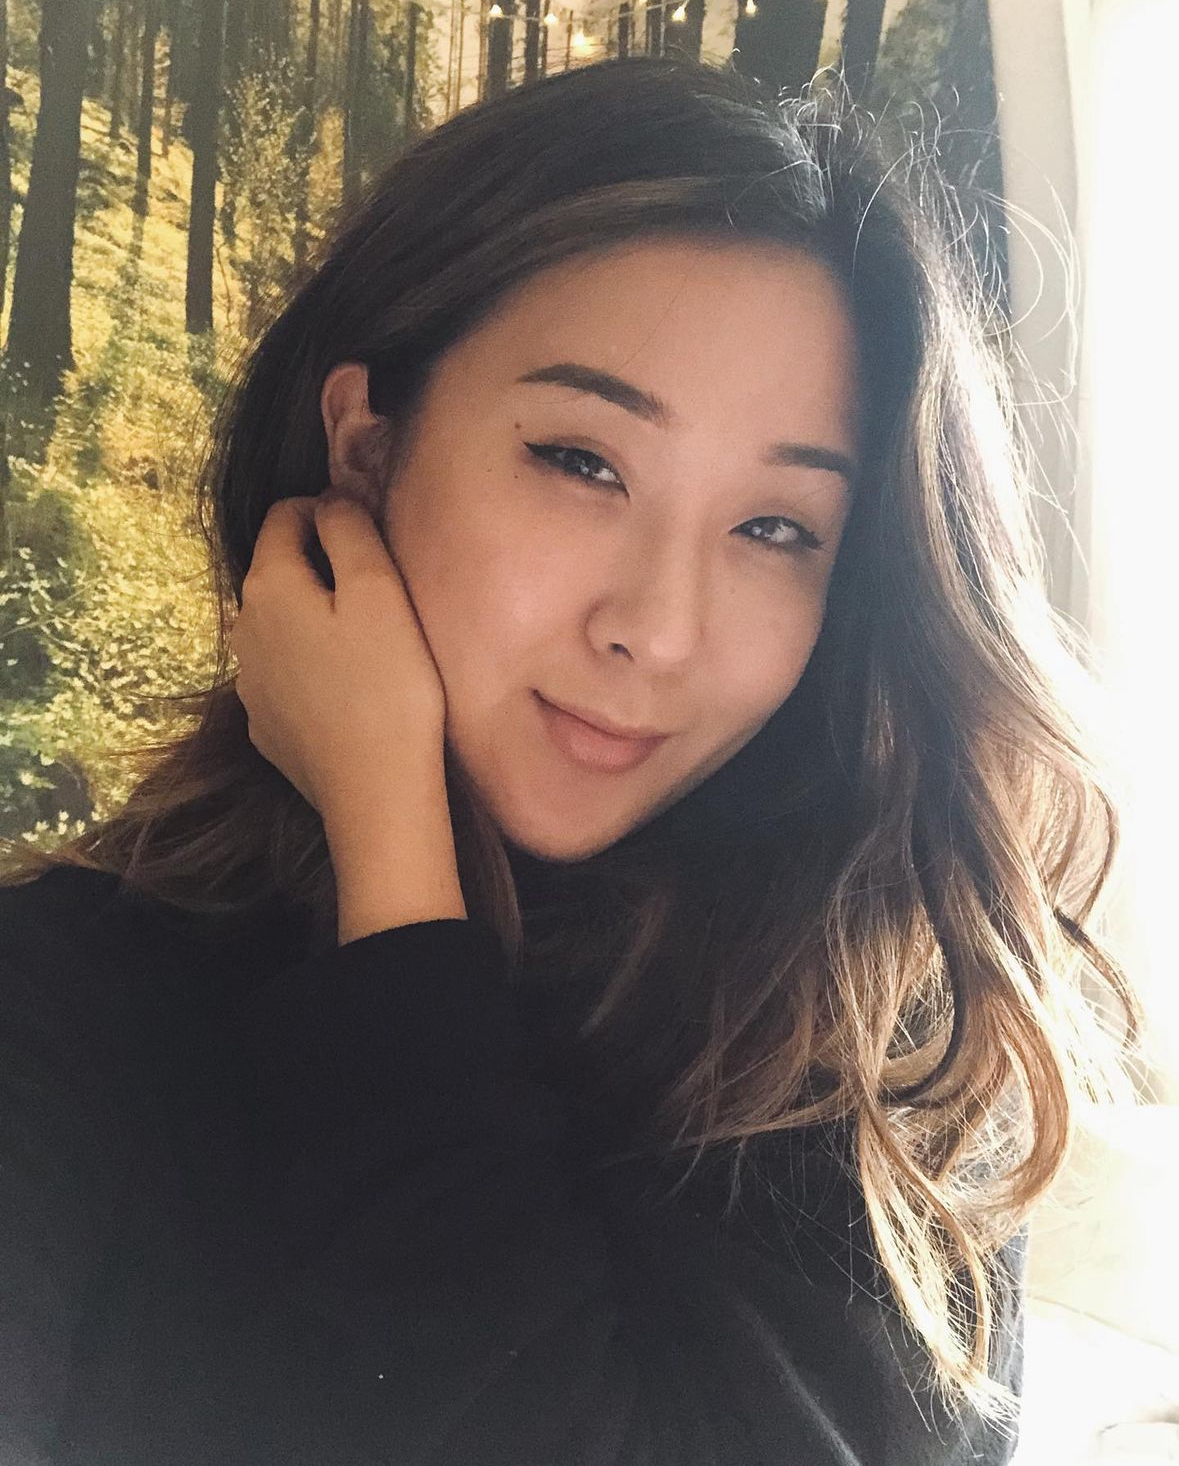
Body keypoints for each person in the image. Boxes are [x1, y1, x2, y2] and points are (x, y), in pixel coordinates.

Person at [0, 55, 1144, 1466]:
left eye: (775, 528)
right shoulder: (71, 1001)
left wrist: (391, 849)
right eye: (583, 463)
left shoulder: (881, 1040)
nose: (658, 630)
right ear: (365, 447)